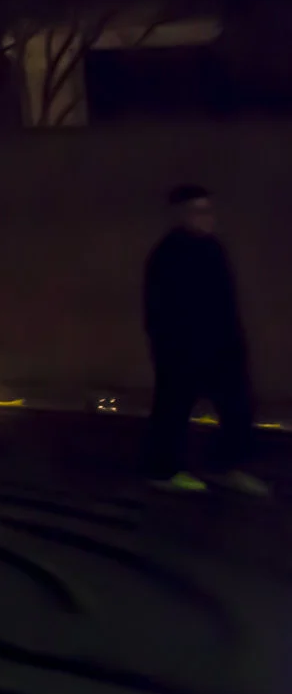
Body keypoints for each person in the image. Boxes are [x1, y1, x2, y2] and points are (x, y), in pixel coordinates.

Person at [142, 183, 268, 495]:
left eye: (208, 210)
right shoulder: (168, 255)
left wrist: (236, 343)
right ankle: (164, 471)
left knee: (238, 407)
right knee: (172, 411)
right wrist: (169, 351)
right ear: (180, 215)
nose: (207, 217)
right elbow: (159, 311)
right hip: (183, 351)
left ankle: (225, 467)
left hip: (220, 348)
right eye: (198, 211)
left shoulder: (213, 249)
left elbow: (226, 302)